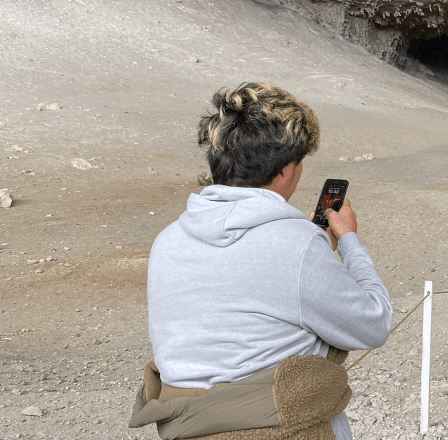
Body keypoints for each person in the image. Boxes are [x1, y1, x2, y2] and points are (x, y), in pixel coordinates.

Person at [130, 82, 392, 440]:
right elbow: (373, 324)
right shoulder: (297, 242)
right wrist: (348, 239)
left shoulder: (167, 240)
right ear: (286, 170)